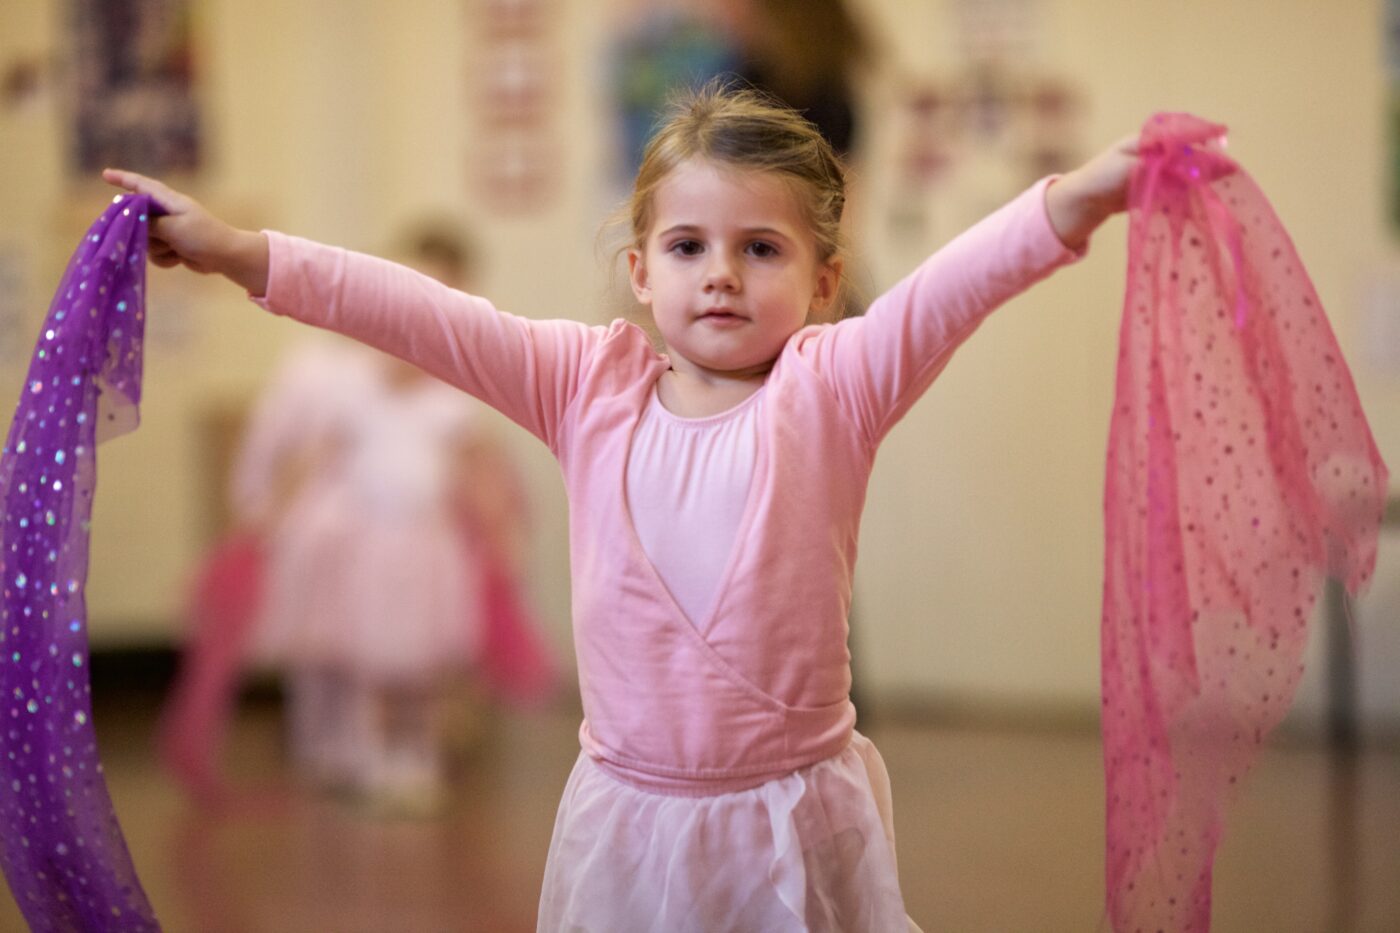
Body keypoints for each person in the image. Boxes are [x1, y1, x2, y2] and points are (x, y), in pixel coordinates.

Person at [106, 84, 1135, 930]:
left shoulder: (834, 388)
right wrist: (242, 252)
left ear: (823, 281)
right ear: (640, 272)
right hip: (631, 821)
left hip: (792, 812)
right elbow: (417, 314)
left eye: (761, 249)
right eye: (687, 247)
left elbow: (953, 286)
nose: (720, 275)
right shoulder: (581, 384)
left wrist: (1080, 199)